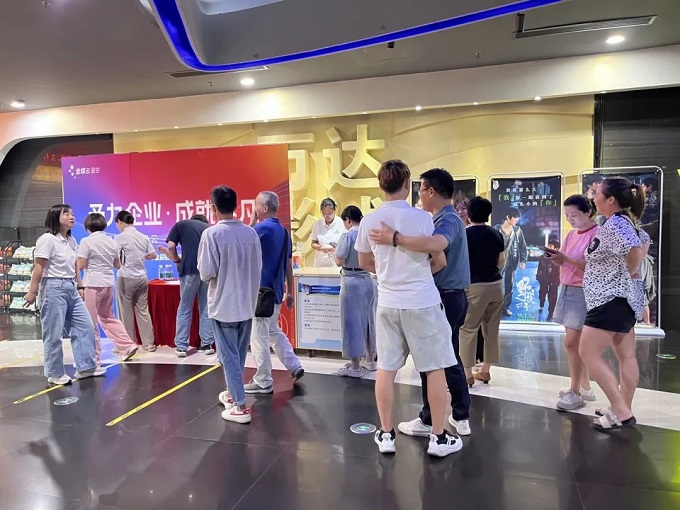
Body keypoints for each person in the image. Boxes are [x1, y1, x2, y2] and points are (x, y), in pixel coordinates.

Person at [355, 159, 462, 458]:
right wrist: (417, 274)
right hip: (423, 302)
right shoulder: (423, 218)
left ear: (381, 185)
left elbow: (363, 262)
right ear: (407, 184)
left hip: (388, 302)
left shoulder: (368, 221)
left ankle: (386, 434)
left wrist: (389, 273)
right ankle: (438, 438)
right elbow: (438, 258)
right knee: (435, 368)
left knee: (386, 369)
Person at [579, 177, 649, 431]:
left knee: (588, 353)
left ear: (610, 200)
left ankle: (621, 410)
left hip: (609, 300)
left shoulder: (617, 223)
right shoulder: (623, 222)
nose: (593, 197)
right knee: (626, 355)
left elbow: (634, 250)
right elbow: (641, 242)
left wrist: (631, 268)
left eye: (597, 193)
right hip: (620, 299)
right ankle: (622, 407)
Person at [198, 185, 262, 424]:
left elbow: (206, 272)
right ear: (236, 205)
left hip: (224, 304)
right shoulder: (251, 233)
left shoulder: (212, 234)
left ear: (213, 207)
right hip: (246, 302)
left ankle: (240, 405)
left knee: (229, 356)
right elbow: (258, 266)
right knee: (237, 354)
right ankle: (233, 393)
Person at [23, 204, 105, 385]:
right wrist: (32, 291)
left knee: (85, 326)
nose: (71, 217)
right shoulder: (47, 239)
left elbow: (75, 265)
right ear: (55, 217)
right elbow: (39, 267)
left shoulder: (71, 240)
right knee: (54, 333)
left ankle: (86, 367)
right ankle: (54, 373)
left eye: (72, 214)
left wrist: (80, 286)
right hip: (53, 287)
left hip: (71, 286)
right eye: (66, 214)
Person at [245, 191, 304, 394]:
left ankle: (263, 379)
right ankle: (294, 365)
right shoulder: (284, 232)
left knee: (258, 335)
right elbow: (288, 264)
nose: (254, 208)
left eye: (256, 204)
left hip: (261, 292)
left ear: (264, 208)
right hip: (276, 292)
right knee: (272, 330)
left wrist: (251, 221)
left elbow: (243, 239)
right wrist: (290, 291)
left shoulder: (260, 229)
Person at [547, 194, 598, 411]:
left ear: (588, 212)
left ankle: (575, 391)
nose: (570, 219)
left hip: (582, 291)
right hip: (567, 288)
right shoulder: (571, 234)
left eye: (574, 215)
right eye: (567, 215)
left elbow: (591, 265)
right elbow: (567, 261)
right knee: (575, 343)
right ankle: (583, 386)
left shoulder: (596, 234)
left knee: (572, 343)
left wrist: (565, 259)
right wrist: (557, 258)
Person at [77, 213, 139, 364]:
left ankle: (94, 357)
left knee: (90, 321)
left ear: (88, 227)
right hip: (108, 283)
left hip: (92, 283)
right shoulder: (112, 241)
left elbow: (80, 265)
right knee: (108, 317)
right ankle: (127, 345)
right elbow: (117, 264)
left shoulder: (86, 241)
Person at [458, 197, 505, 386]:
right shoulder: (496, 234)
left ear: (469, 214)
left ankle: (467, 374)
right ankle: (485, 370)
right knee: (491, 329)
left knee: (468, 328)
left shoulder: (464, 235)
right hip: (496, 284)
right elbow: (501, 261)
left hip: (474, 286)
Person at [159, 214, 215, 357]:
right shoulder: (209, 228)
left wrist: (177, 260)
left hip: (189, 270)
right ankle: (207, 344)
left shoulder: (182, 224)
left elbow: (171, 246)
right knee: (206, 308)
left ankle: (182, 346)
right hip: (207, 272)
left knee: (185, 308)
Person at [334, 205, 377, 378]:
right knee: (369, 321)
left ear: (348, 220)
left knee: (352, 322)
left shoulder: (348, 235)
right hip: (368, 280)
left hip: (351, 281)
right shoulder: (369, 234)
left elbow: (339, 260)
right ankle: (371, 360)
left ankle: (355, 366)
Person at [114, 211, 157, 351]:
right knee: (143, 311)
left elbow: (115, 259)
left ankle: (128, 344)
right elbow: (153, 254)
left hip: (125, 277)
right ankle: (149, 343)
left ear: (120, 222)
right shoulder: (143, 237)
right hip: (142, 277)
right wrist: (142, 258)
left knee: (125, 313)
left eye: (117, 224)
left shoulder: (119, 238)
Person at [495, 207, 528, 317]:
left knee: (509, 285)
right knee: (496, 284)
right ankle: (495, 307)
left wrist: (523, 260)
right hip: (498, 262)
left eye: (517, 218)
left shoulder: (517, 230)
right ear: (508, 217)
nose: (516, 220)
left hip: (512, 261)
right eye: (514, 218)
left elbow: (523, 246)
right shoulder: (497, 229)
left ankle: (505, 307)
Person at [311, 198, 346, 267]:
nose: (327, 216)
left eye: (330, 213)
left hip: (336, 263)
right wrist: (321, 248)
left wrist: (335, 249)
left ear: (335, 211)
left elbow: (346, 244)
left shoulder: (341, 222)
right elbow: (313, 243)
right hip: (321, 262)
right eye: (324, 214)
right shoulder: (318, 223)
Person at [536, 239, 561, 322]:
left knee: (552, 297)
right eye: (548, 245)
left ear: (556, 248)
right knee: (542, 292)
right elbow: (539, 269)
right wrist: (539, 277)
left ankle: (551, 312)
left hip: (554, 280)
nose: (548, 247)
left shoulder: (559, 258)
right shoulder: (542, 257)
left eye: (550, 246)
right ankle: (542, 300)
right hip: (544, 279)